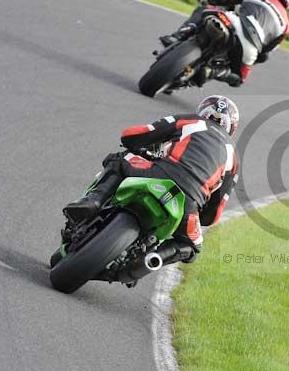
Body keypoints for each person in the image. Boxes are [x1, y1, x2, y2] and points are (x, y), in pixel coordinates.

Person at [64, 95, 240, 263]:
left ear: (203, 110)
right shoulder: (234, 159)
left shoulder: (190, 120)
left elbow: (132, 135)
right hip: (189, 203)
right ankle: (150, 260)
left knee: (119, 160)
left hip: (158, 173)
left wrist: (136, 146)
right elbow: (213, 215)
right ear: (231, 127)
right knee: (192, 246)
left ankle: (93, 201)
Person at [159, 0, 289, 87]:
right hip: (250, 49)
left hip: (233, 23)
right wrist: (254, 57)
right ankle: (212, 72)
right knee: (239, 79)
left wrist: (209, 0)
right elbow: (266, 52)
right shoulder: (286, 25)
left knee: (204, 10)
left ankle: (179, 35)